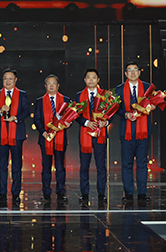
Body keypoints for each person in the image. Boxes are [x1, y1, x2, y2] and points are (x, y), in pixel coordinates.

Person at [0, 67, 30, 206]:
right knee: (2, 165)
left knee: (17, 165)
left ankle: (16, 194)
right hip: (1, 135)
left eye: (10, 79)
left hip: (17, 134)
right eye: (5, 78)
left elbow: (26, 111)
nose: (7, 81)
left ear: (15, 80)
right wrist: (1, 111)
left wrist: (16, 118)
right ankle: (2, 194)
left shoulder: (22, 94)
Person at [117, 61, 156, 204]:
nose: (132, 72)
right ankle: (128, 194)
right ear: (125, 73)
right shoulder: (119, 89)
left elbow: (154, 102)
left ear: (139, 72)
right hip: (126, 131)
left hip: (143, 132)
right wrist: (125, 114)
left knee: (142, 163)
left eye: (135, 70)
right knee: (127, 164)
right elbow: (116, 108)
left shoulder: (147, 88)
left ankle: (142, 194)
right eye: (129, 70)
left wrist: (152, 106)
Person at [33, 74, 70, 205]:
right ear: (45, 86)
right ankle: (46, 193)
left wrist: (68, 124)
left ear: (58, 85)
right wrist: (43, 132)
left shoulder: (65, 100)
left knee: (60, 167)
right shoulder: (40, 101)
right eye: (49, 83)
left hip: (60, 138)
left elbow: (69, 117)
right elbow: (37, 119)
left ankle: (61, 193)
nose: (51, 85)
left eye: (54, 83)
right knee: (46, 167)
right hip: (45, 139)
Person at [75, 68, 109, 207]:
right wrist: (86, 122)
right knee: (84, 166)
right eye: (88, 77)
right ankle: (84, 194)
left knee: (101, 166)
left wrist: (106, 122)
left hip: (100, 134)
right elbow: (75, 115)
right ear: (85, 80)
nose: (91, 80)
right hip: (85, 134)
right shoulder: (79, 96)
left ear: (98, 80)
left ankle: (101, 194)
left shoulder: (105, 95)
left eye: (93, 77)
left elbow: (111, 113)